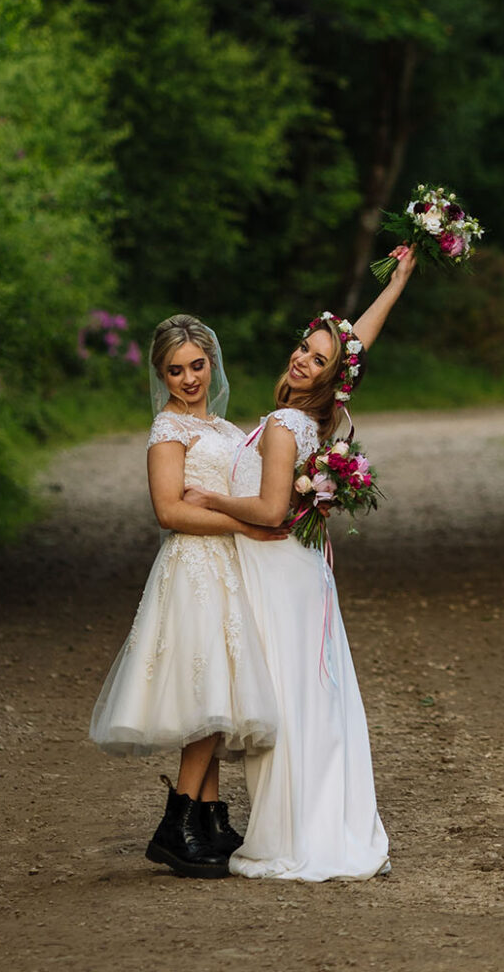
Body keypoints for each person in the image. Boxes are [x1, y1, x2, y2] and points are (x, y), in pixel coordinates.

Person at [185, 246, 417, 880]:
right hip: (301, 573)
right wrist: (395, 285)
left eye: (318, 359)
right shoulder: (329, 415)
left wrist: (209, 500)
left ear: (328, 376)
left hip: (277, 569)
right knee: (314, 693)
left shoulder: (289, 423)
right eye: (304, 348)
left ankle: (294, 829)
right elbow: (354, 344)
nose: (303, 358)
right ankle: (319, 816)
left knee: (285, 696)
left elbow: (267, 510)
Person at [88, 314, 285, 877]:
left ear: (212, 362)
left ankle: (209, 820)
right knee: (211, 694)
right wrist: (241, 527)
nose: (189, 378)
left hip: (227, 565)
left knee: (217, 693)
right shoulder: (168, 431)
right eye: (175, 370)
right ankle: (175, 825)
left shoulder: (223, 429)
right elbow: (169, 511)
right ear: (161, 375)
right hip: (195, 566)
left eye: (197, 365)